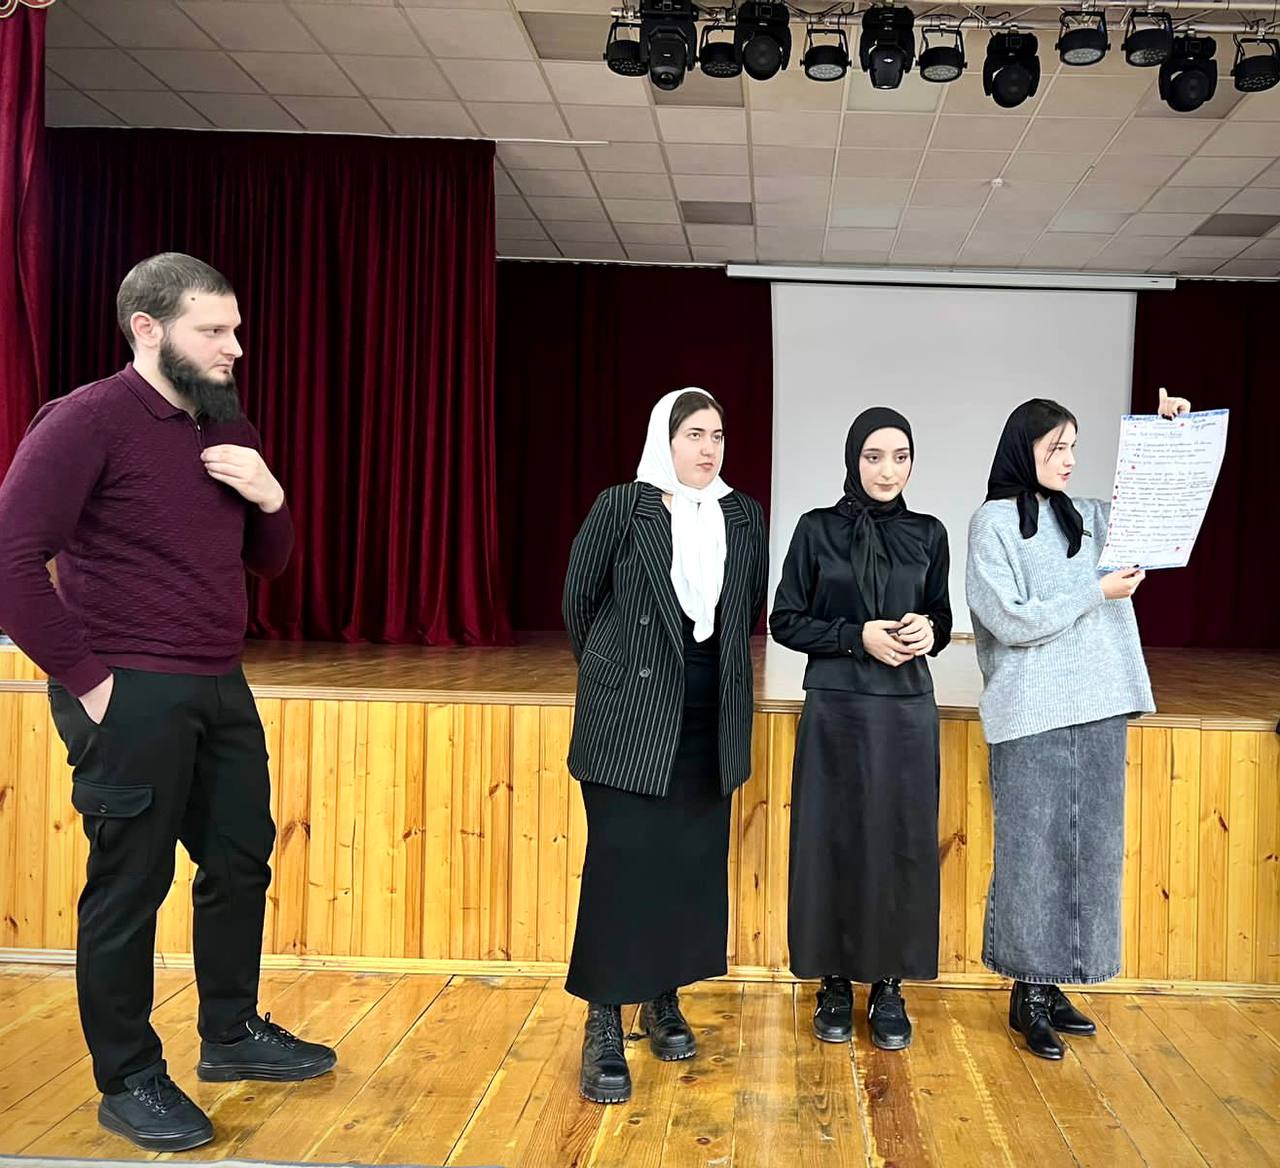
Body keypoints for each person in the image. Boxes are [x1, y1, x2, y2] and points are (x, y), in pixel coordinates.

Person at [0, 253, 336, 1151]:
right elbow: (11, 562)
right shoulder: (86, 419)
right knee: (131, 885)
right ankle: (128, 1079)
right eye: (213, 330)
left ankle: (230, 1033)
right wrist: (91, 683)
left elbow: (268, 559)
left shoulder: (226, 423)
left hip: (220, 680)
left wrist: (271, 496)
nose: (235, 347)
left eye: (235, 330)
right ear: (147, 329)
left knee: (240, 861)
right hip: (128, 687)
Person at [966, 390, 1190, 1060]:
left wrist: (1166, 439)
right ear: (1023, 449)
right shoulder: (993, 523)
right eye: (1055, 447)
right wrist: (1095, 591)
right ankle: (1027, 992)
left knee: (1092, 852)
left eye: (1072, 447)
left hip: (1101, 702)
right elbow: (1010, 619)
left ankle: (1056, 981)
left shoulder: (1092, 516)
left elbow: (1160, 511)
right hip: (1032, 709)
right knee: (1031, 855)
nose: (1068, 459)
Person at [561, 388, 768, 1104]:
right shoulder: (624, 506)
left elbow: (746, 608)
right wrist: (617, 674)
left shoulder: (743, 515)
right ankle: (603, 1021)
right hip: (630, 715)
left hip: (710, 713)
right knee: (622, 866)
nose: (708, 448)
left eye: (718, 435)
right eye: (694, 434)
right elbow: (579, 601)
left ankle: (662, 997)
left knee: (685, 864)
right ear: (666, 439)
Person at [771, 407, 952, 1051]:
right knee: (834, 840)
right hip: (837, 707)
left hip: (906, 709)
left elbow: (940, 615)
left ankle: (889, 985)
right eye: (874, 456)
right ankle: (834, 982)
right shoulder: (816, 529)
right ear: (853, 460)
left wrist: (929, 631)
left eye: (900, 456)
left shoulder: (929, 533)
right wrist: (856, 637)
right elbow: (785, 620)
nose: (887, 470)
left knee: (901, 843)